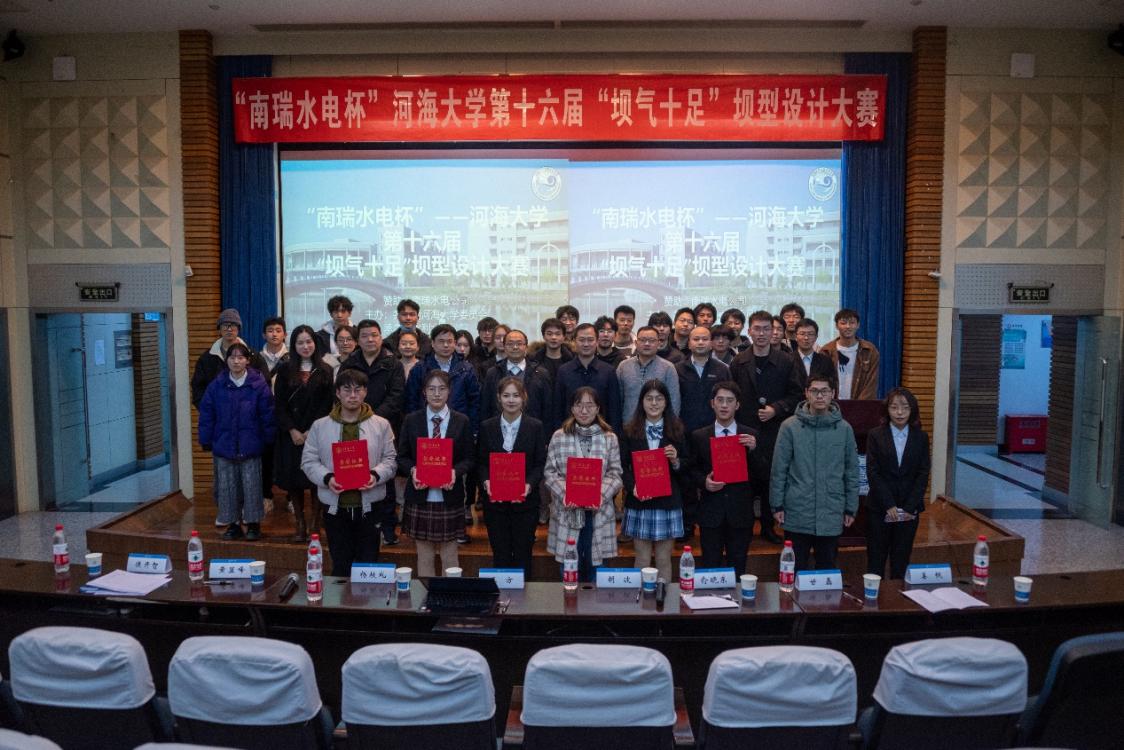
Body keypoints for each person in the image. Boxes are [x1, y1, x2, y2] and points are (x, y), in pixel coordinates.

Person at [300, 368, 398, 577]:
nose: (352, 395)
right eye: (347, 390)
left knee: (368, 565)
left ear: (365, 392)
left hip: (370, 506)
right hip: (335, 507)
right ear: (338, 393)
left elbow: (390, 460)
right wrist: (327, 478)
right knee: (340, 565)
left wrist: (375, 475)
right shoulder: (320, 426)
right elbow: (308, 461)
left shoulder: (381, 425)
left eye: (358, 390)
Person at [770, 370, 859, 572]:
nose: (819, 396)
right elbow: (779, 470)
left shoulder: (844, 429)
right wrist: (777, 505)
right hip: (797, 510)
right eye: (814, 391)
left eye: (824, 391)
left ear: (833, 394)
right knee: (795, 569)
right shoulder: (789, 427)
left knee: (827, 569)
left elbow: (852, 472)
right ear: (806, 393)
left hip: (831, 510)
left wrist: (851, 508)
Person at [729, 309, 804, 544]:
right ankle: (744, 526)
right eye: (757, 329)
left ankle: (769, 527)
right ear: (749, 331)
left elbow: (797, 395)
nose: (761, 334)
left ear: (773, 332)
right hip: (745, 428)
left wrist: (776, 408)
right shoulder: (739, 361)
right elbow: (731, 395)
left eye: (766, 329)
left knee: (771, 479)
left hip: (776, 430)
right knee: (745, 482)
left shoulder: (786, 360)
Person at [397, 369, 475, 578]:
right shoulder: (412, 420)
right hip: (420, 496)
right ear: (424, 392)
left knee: (450, 556)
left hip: (450, 495)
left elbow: (470, 459)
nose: (437, 394)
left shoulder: (462, 421)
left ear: (449, 391)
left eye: (442, 388)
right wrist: (413, 470)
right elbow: (402, 457)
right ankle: (426, 594)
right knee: (424, 556)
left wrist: (454, 472)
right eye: (431, 389)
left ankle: (451, 595)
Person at [197, 343, 276, 541]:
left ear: (248, 360)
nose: (236, 361)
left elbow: (267, 414)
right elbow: (207, 414)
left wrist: (269, 438)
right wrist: (206, 439)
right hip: (224, 445)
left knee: (252, 486)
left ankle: (253, 525)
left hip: (251, 445)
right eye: (232, 357)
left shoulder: (258, 384)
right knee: (227, 487)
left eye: (241, 357)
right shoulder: (217, 385)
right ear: (227, 361)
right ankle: (232, 524)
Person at [544, 387, 623, 583]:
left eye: (590, 405)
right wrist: (567, 494)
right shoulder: (559, 436)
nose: (584, 411)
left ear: (598, 408)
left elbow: (615, 474)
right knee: (569, 573)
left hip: (599, 513)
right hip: (567, 511)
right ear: (572, 408)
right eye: (579, 405)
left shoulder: (609, 437)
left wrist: (599, 495)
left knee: (597, 574)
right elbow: (550, 472)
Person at [340, 319, 407, 545]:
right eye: (365, 336)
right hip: (352, 426)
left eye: (375, 335)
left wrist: (373, 419)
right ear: (358, 340)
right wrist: (358, 417)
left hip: (384, 427)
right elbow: (341, 392)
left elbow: (397, 396)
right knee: (357, 475)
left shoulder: (393, 363)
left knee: (384, 477)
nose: (370, 339)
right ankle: (360, 526)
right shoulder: (350, 363)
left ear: (381, 337)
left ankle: (387, 527)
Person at [477, 376, 547, 577]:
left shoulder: (535, 426)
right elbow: (481, 462)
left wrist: (529, 484)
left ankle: (525, 596)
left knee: (523, 554)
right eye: (506, 395)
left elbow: (539, 463)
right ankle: (501, 594)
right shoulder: (487, 426)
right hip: (495, 505)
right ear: (499, 398)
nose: (511, 400)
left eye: (516, 395)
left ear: (524, 397)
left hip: (525, 504)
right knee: (500, 554)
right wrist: (486, 482)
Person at [620, 380, 689, 581]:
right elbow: (622, 466)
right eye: (649, 398)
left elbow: (688, 465)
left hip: (668, 502)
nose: (654, 403)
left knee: (663, 559)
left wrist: (676, 460)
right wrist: (632, 486)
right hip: (639, 501)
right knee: (642, 559)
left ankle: (664, 598)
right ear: (641, 402)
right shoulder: (629, 430)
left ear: (666, 402)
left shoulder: (677, 430)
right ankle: (639, 599)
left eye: (659, 398)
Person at [272, 325, 334, 542]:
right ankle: (299, 524)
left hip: (317, 434)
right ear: (294, 345)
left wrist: (310, 431)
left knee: (317, 479)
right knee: (294, 480)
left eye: (309, 342)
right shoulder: (284, 370)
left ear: (315, 344)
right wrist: (292, 429)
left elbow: (327, 405)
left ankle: (315, 524)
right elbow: (279, 405)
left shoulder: (325, 370)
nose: (305, 346)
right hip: (291, 435)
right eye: (300, 342)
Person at [690, 381, 758, 575]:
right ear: (712, 403)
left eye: (730, 401)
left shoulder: (750, 435)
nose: (724, 405)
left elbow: (761, 474)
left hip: (740, 513)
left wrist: (754, 451)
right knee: (710, 567)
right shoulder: (699, 436)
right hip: (711, 513)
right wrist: (704, 482)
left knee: (738, 568)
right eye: (720, 400)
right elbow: (691, 471)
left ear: (738, 405)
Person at [865, 387, 931, 579]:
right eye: (894, 407)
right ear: (887, 410)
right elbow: (873, 472)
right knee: (875, 560)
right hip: (880, 508)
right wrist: (889, 504)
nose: (899, 413)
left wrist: (910, 506)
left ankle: (897, 596)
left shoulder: (921, 437)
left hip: (909, 511)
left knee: (900, 562)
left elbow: (923, 473)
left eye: (905, 408)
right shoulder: (875, 435)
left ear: (912, 410)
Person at [675, 325, 730, 542]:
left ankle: (711, 525)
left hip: (712, 433)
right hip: (685, 433)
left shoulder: (722, 369)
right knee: (687, 480)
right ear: (689, 343)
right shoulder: (677, 369)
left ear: (711, 343)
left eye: (704, 339)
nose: (700, 343)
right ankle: (687, 525)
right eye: (696, 339)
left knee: (712, 477)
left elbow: (728, 400)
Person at [405, 323, 481, 433]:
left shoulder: (466, 369)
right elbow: (411, 401)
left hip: (458, 427)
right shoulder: (420, 368)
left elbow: (474, 402)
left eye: (449, 341)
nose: (446, 345)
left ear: (454, 343)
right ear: (433, 343)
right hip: (426, 426)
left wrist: (472, 430)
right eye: (441, 341)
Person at [190, 308, 267, 409]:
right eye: (225, 325)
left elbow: (265, 385)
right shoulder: (207, 358)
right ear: (219, 329)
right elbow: (198, 388)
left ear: (239, 329)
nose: (229, 329)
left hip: (249, 415)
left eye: (233, 325)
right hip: (217, 415)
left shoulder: (253, 356)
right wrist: (209, 410)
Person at [554, 323, 622, 434]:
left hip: (601, 434)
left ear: (597, 341)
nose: (586, 344)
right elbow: (557, 409)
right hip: (570, 434)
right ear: (574, 341)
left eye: (590, 340)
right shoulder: (564, 371)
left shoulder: (608, 371)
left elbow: (614, 409)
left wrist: (614, 435)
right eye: (581, 340)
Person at [481, 329, 552, 425]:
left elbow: (548, 409)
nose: (515, 347)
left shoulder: (541, 373)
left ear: (526, 347)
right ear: (504, 347)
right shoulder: (493, 373)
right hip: (499, 427)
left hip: (533, 428)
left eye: (519, 343)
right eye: (510, 344)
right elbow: (485, 407)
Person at [617, 325, 681, 424]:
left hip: (659, 427)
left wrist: (670, 426)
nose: (647, 344)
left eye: (651, 340)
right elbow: (618, 400)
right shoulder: (623, 367)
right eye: (643, 340)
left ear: (658, 343)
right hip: (628, 426)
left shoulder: (668, 368)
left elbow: (674, 401)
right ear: (636, 343)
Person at [258, 316, 288, 514]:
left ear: (284, 334)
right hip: (264, 416)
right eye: (270, 330)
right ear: (264, 334)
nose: (274, 334)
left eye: (278, 330)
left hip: (287, 415)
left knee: (289, 457)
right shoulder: (255, 358)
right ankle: (266, 496)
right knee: (265, 457)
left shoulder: (293, 356)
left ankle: (291, 497)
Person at [820, 308, 881, 400]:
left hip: (860, 404)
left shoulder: (869, 350)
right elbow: (821, 381)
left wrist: (859, 405)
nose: (848, 326)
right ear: (836, 326)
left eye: (852, 323)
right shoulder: (826, 351)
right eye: (843, 323)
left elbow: (872, 382)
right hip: (832, 404)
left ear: (858, 325)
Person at [528, 317, 573, 381]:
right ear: (543, 336)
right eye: (549, 334)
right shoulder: (533, 360)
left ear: (563, 337)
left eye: (558, 334)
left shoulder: (572, 359)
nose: (553, 337)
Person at [793, 318, 833, 386]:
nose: (806, 338)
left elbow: (831, 385)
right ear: (795, 336)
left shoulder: (825, 361)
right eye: (802, 334)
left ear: (816, 337)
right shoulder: (787, 360)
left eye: (810, 334)